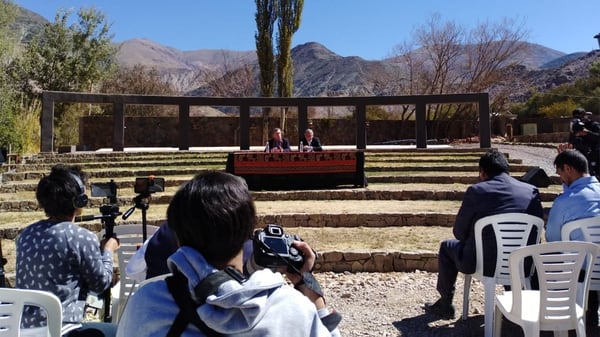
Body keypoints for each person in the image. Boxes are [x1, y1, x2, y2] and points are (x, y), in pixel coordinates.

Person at [117, 171, 341, 337]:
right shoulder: (292, 308)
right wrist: (308, 286)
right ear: (247, 235)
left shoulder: (149, 303)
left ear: (178, 238)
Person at [423, 149, 543, 319]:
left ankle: (445, 303)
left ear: (482, 172)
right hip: (522, 263)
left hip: (482, 263)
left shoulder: (477, 191)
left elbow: (458, 232)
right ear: (507, 170)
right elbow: (537, 230)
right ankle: (518, 298)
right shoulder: (530, 191)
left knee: (446, 247)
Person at [16, 165, 120, 337]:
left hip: (24, 329)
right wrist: (108, 250)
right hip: (62, 329)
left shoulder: (26, 234)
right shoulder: (80, 237)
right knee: (119, 331)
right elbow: (101, 283)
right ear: (78, 201)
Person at [544, 149, 600, 329]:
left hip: (579, 271)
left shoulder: (564, 202)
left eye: (560, 173)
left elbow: (553, 239)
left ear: (568, 169)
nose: (560, 178)